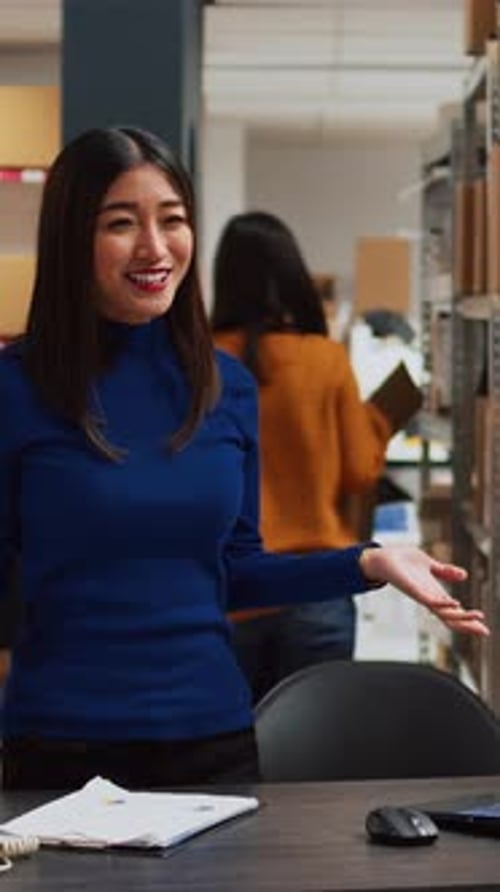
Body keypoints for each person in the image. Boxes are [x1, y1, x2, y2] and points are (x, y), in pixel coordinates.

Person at [0, 127, 487, 793]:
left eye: (172, 220)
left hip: (212, 742)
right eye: (121, 223)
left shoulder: (225, 387)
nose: (154, 246)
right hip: (60, 745)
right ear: (71, 241)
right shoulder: (18, 387)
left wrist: (368, 561)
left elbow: (236, 571)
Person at [211, 211, 396, 701]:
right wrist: (379, 420)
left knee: (231, 758)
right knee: (315, 759)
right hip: (320, 585)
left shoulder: (201, 362)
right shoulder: (325, 358)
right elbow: (359, 471)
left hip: (231, 590)